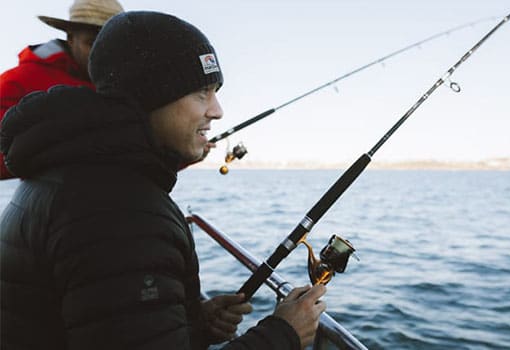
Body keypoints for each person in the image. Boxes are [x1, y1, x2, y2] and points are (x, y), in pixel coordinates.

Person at [0, 10, 326, 350]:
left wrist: (191, 323)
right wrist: (283, 334)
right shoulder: (123, 214)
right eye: (202, 92)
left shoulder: (68, 173)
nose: (217, 111)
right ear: (150, 96)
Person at [0, 0, 124, 179]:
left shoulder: (131, 87)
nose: (102, 53)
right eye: (91, 43)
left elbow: (172, 151)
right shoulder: (16, 82)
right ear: (70, 38)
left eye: (111, 44)